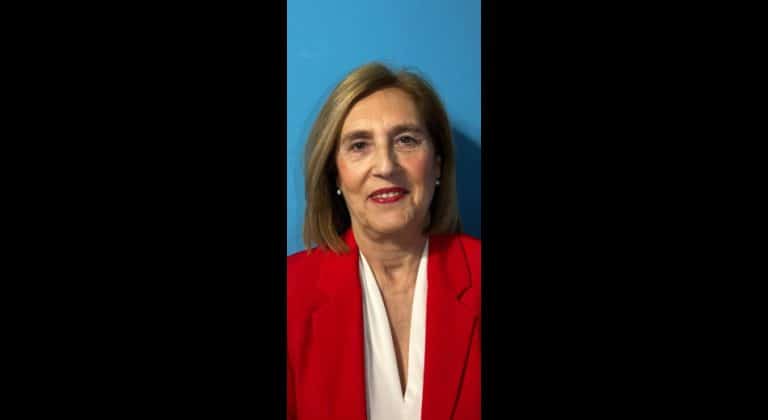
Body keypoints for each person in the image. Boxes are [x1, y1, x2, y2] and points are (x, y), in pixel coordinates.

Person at [287, 62, 480, 420]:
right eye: (359, 145)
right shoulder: (291, 292)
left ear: (437, 164)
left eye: (406, 140)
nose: (386, 166)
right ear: (336, 174)